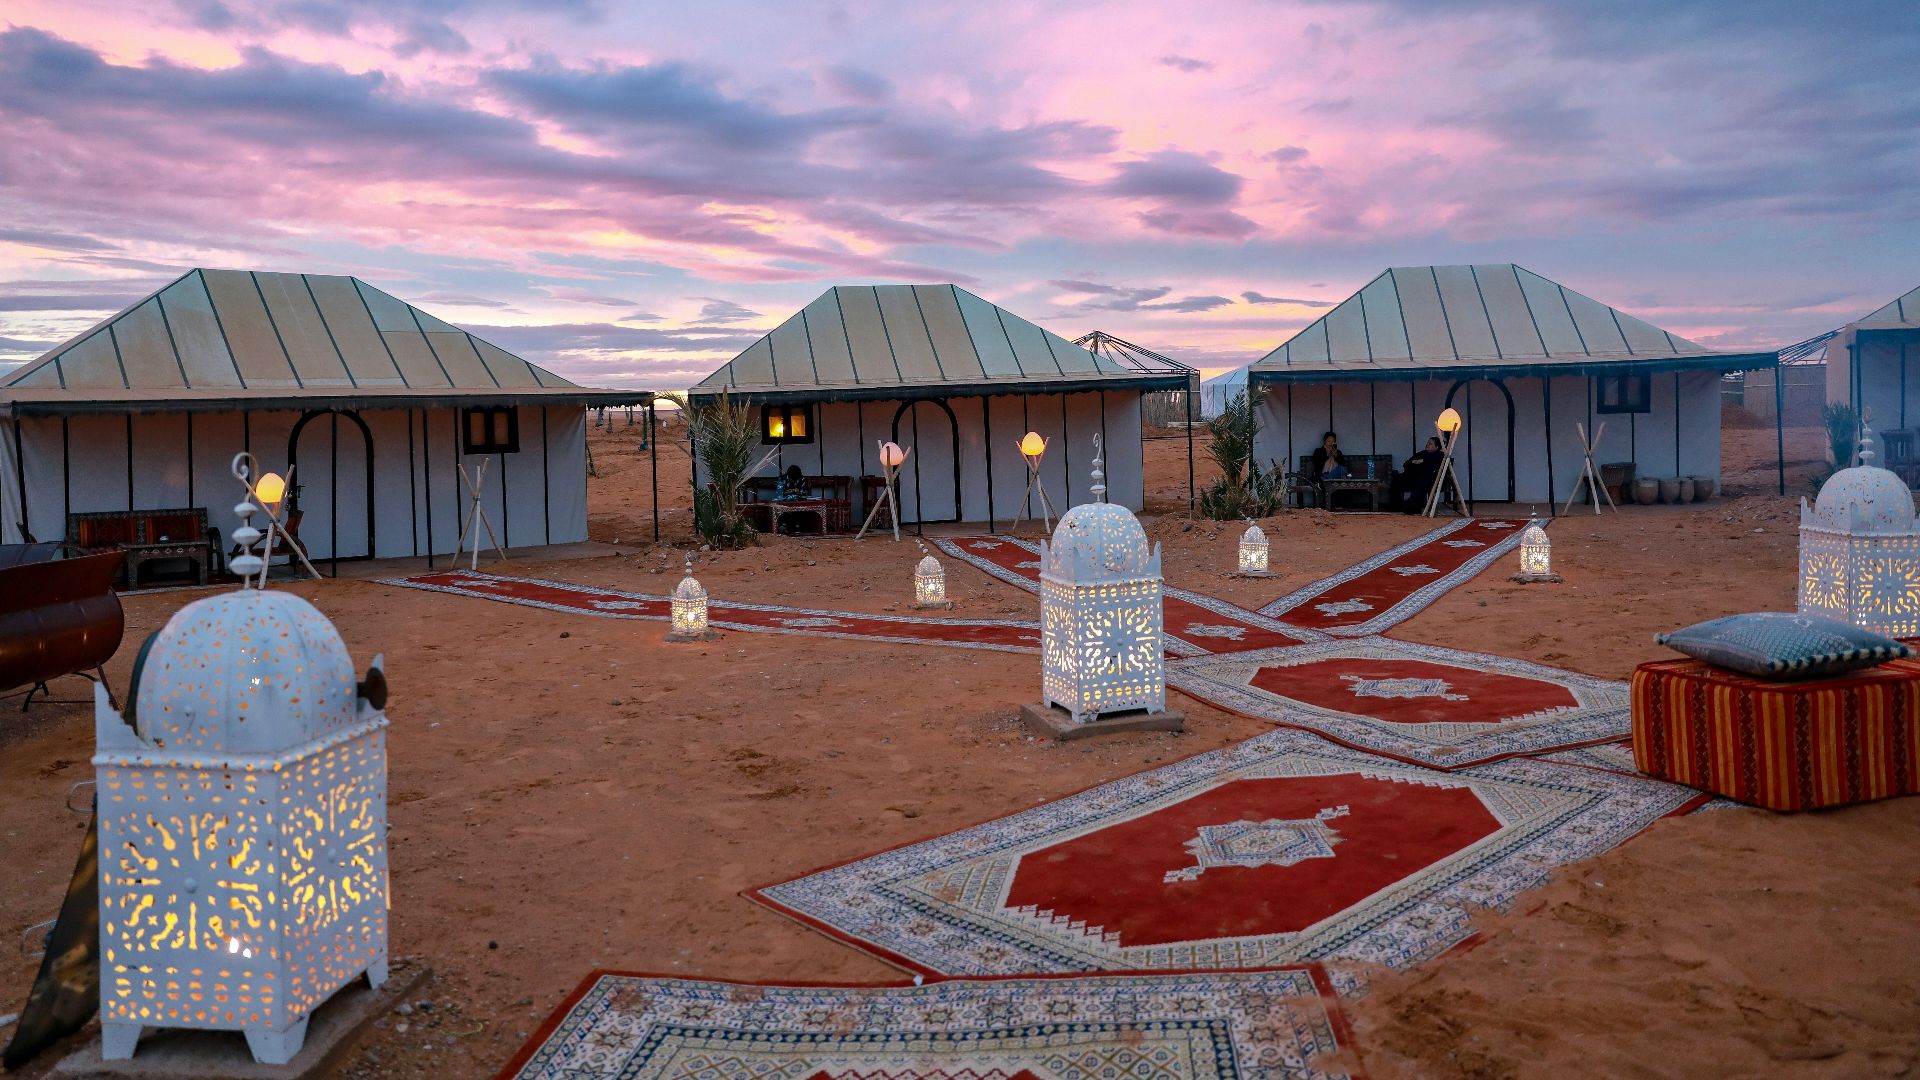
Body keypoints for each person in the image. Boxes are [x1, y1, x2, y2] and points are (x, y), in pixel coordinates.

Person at [1393, 437, 1445, 513]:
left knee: (1421, 481)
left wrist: (1423, 461)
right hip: (1412, 477)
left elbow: (1433, 466)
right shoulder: (1422, 453)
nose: (1427, 445)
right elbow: (1406, 463)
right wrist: (1413, 462)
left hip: (1429, 480)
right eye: (1427, 443)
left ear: (1436, 447)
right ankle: (1397, 506)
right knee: (1397, 479)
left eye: (1430, 444)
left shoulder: (1439, 455)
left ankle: (1412, 506)